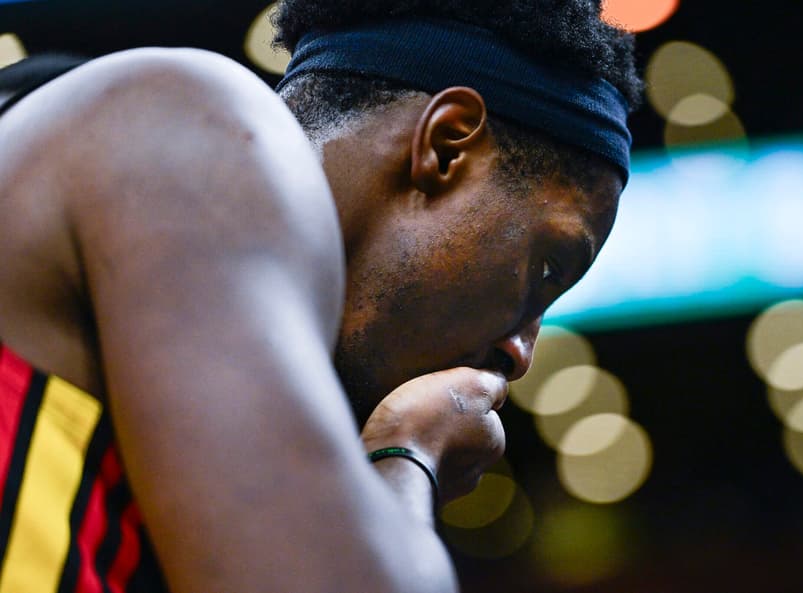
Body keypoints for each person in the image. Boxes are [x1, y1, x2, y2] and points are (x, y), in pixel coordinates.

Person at [0, 0, 641, 591]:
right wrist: (406, 453)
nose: (521, 350)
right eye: (549, 268)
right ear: (446, 146)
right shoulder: (196, 125)